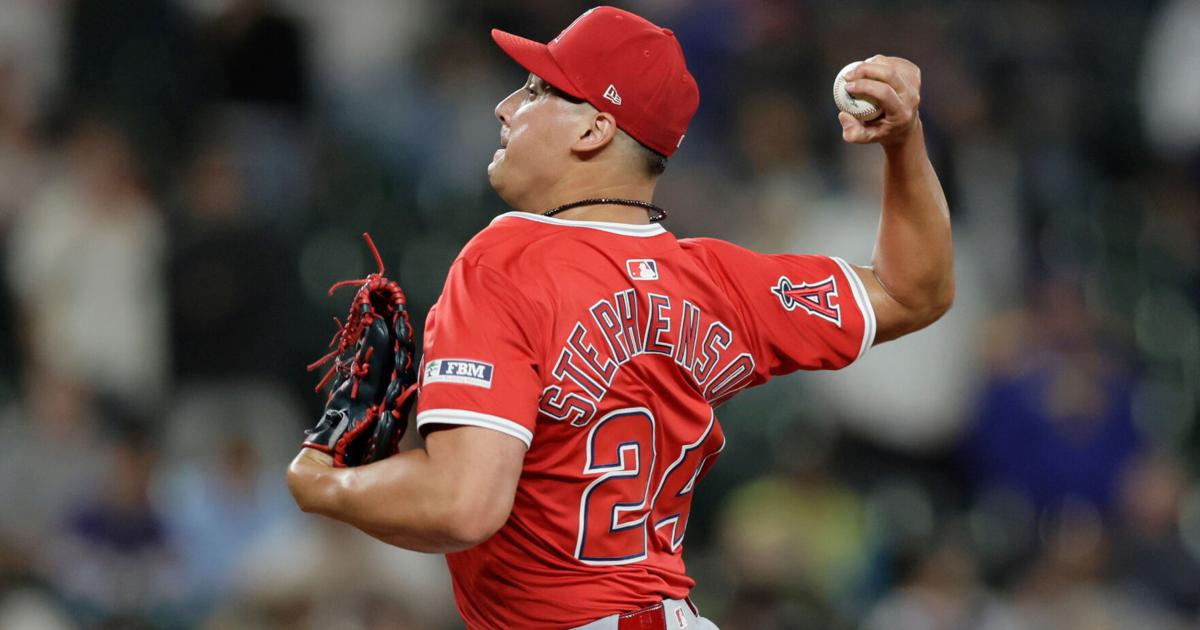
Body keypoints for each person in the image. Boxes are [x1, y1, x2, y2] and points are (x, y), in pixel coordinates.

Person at [287, 6, 953, 629]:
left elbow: (464, 505)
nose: (506, 106)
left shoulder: (506, 260)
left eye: (536, 89)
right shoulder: (721, 283)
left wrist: (327, 485)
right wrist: (904, 144)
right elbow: (913, 291)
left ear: (594, 127)